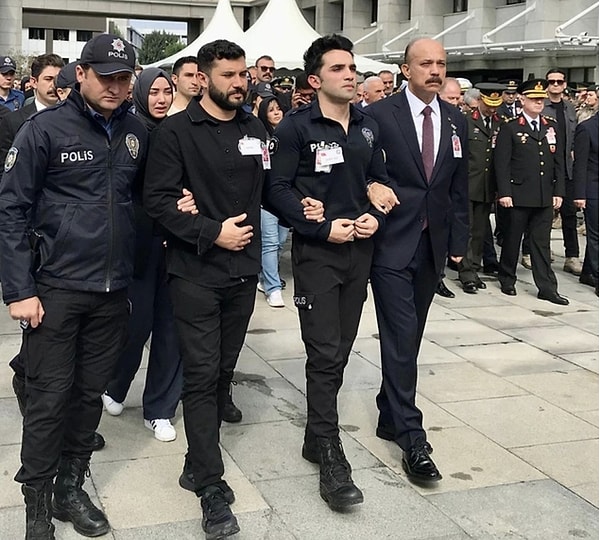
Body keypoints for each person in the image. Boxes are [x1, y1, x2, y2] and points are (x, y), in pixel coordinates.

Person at [0, 34, 147, 539]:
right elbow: (12, 210)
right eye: (104, 75)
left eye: (124, 78)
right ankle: (36, 502)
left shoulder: (136, 130)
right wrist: (19, 289)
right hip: (56, 288)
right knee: (48, 399)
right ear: (79, 74)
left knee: (88, 396)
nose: (115, 86)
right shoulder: (43, 129)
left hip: (112, 291)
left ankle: (69, 488)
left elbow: (146, 199)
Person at [142, 39, 267, 540]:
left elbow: (270, 186)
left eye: (244, 75)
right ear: (204, 79)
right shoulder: (174, 132)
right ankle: (210, 488)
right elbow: (157, 201)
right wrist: (211, 231)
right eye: (230, 75)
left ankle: (197, 461)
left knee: (221, 371)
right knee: (198, 374)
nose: (240, 83)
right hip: (195, 273)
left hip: (244, 273)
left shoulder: (255, 127)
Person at [265, 33, 391, 510]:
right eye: (339, 68)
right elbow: (274, 188)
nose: (351, 74)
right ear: (315, 79)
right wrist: (317, 226)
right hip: (318, 255)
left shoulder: (366, 125)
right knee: (322, 353)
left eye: (352, 67)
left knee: (339, 350)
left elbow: (379, 178)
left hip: (361, 251)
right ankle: (332, 455)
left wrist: (375, 213)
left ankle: (314, 436)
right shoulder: (296, 128)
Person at [364, 37, 469, 486]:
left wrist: (459, 241)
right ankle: (411, 435)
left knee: (412, 335)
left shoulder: (455, 120)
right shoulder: (378, 115)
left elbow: (458, 187)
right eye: (425, 63)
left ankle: (389, 411)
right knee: (402, 334)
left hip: (432, 245)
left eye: (442, 63)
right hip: (390, 243)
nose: (435, 70)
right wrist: (370, 187)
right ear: (405, 69)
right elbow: (361, 168)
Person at [102, 68, 185, 442]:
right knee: (136, 325)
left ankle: (160, 408)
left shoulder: (182, 131)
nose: (161, 99)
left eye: (167, 91)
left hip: (178, 243)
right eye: (153, 92)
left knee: (172, 327)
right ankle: (115, 385)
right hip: (138, 245)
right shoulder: (129, 131)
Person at [495, 79, 568, 305]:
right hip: (518, 194)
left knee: (541, 243)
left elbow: (558, 162)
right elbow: (502, 163)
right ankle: (507, 277)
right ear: (522, 99)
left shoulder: (550, 125)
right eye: (534, 99)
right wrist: (504, 192)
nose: (538, 103)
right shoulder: (511, 126)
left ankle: (546, 287)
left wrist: (559, 191)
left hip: (543, 195)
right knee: (512, 239)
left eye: (541, 99)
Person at [457, 83, 505, 293]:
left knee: (479, 231)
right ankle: (465, 272)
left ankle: (474, 268)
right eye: (488, 104)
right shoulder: (466, 121)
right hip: (467, 183)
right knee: (466, 230)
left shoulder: (500, 123)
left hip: (487, 186)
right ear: (480, 100)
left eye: (496, 105)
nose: (492, 109)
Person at [542, 69, 580, 277]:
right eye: (552, 82)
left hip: (567, 168)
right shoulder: (541, 106)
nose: (555, 85)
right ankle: (537, 251)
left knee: (569, 213)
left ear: (565, 84)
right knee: (543, 214)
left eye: (559, 81)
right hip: (546, 168)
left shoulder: (569, 108)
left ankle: (571, 256)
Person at [0, 54, 64, 167]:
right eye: (48, 79)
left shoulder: (76, 119)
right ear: (34, 82)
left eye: (58, 79)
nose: (54, 85)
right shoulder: (13, 122)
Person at [256, 95, 288, 307]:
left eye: (278, 109)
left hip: (286, 197)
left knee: (280, 241)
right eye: (271, 110)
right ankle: (273, 287)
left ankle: (264, 276)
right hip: (265, 198)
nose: (276, 113)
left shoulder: (289, 134)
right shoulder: (259, 136)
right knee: (269, 242)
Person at [573, 112, 599, 294]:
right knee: (596, 235)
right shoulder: (587, 128)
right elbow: (580, 164)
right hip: (593, 189)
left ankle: (588, 271)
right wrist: (579, 194)